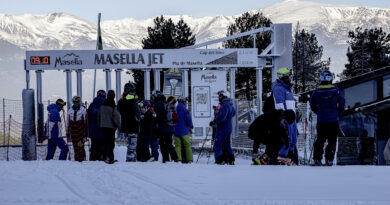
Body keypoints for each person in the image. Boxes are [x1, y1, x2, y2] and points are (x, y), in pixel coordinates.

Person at [310, 70, 345, 166]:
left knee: (320, 139)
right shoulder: (335, 90)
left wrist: (317, 111)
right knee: (332, 140)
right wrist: (340, 112)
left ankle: (317, 158)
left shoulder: (316, 91)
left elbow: (312, 104)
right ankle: (329, 159)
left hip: (321, 119)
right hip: (333, 119)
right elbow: (342, 102)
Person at [272, 67, 298, 163]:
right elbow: (279, 104)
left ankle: (289, 155)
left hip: (292, 117)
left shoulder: (287, 89)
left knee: (293, 137)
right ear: (284, 77)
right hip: (286, 118)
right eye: (288, 76)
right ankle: (282, 155)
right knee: (287, 136)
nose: (290, 78)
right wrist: (283, 117)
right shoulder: (279, 88)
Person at [211, 90, 236, 165]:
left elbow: (222, 117)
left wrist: (215, 121)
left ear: (225, 96)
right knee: (226, 144)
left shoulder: (224, 105)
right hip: (228, 127)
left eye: (220, 96)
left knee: (217, 144)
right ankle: (231, 159)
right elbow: (233, 113)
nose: (219, 97)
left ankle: (219, 160)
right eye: (219, 96)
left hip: (222, 128)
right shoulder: (230, 104)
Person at [118, 82, 141, 162]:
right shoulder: (133, 101)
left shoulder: (120, 101)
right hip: (133, 125)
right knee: (133, 144)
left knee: (129, 143)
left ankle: (130, 157)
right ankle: (131, 159)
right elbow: (138, 113)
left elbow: (119, 112)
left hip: (125, 125)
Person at [98, 90, 121, 164]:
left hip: (103, 126)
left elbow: (98, 116)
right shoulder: (113, 105)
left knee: (105, 142)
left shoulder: (102, 105)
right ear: (114, 96)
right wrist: (119, 127)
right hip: (111, 127)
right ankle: (110, 158)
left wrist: (100, 124)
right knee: (111, 143)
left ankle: (103, 156)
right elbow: (116, 118)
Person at [67, 96, 87, 162]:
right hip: (73, 132)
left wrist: (85, 133)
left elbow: (85, 121)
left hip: (81, 132)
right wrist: (68, 132)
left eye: (78, 102)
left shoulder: (83, 110)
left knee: (80, 145)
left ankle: (82, 158)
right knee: (75, 145)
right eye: (75, 102)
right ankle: (77, 159)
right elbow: (68, 123)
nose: (76, 103)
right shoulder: (70, 111)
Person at [88, 90, 106, 161]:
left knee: (94, 145)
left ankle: (93, 158)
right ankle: (101, 158)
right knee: (102, 145)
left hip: (93, 129)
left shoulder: (92, 105)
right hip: (103, 129)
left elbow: (88, 116)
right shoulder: (105, 104)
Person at [174, 96, 193, 163]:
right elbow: (189, 120)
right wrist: (191, 126)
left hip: (176, 130)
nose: (186, 103)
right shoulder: (185, 110)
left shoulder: (175, 109)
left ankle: (178, 159)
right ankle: (189, 159)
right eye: (185, 101)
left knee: (177, 145)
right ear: (183, 101)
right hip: (184, 130)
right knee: (187, 145)